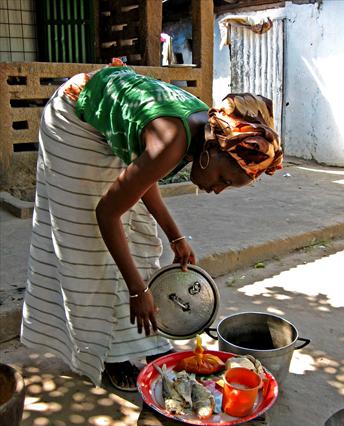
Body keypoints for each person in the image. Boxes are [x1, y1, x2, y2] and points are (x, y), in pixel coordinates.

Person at [21, 58, 283, 391]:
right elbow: (107, 212)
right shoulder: (174, 139)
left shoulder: (207, 129)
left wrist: (176, 237)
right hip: (73, 117)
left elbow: (144, 178)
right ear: (211, 154)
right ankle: (110, 354)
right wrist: (137, 289)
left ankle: (144, 344)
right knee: (87, 242)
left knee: (141, 237)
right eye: (223, 179)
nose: (218, 190)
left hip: (107, 115)